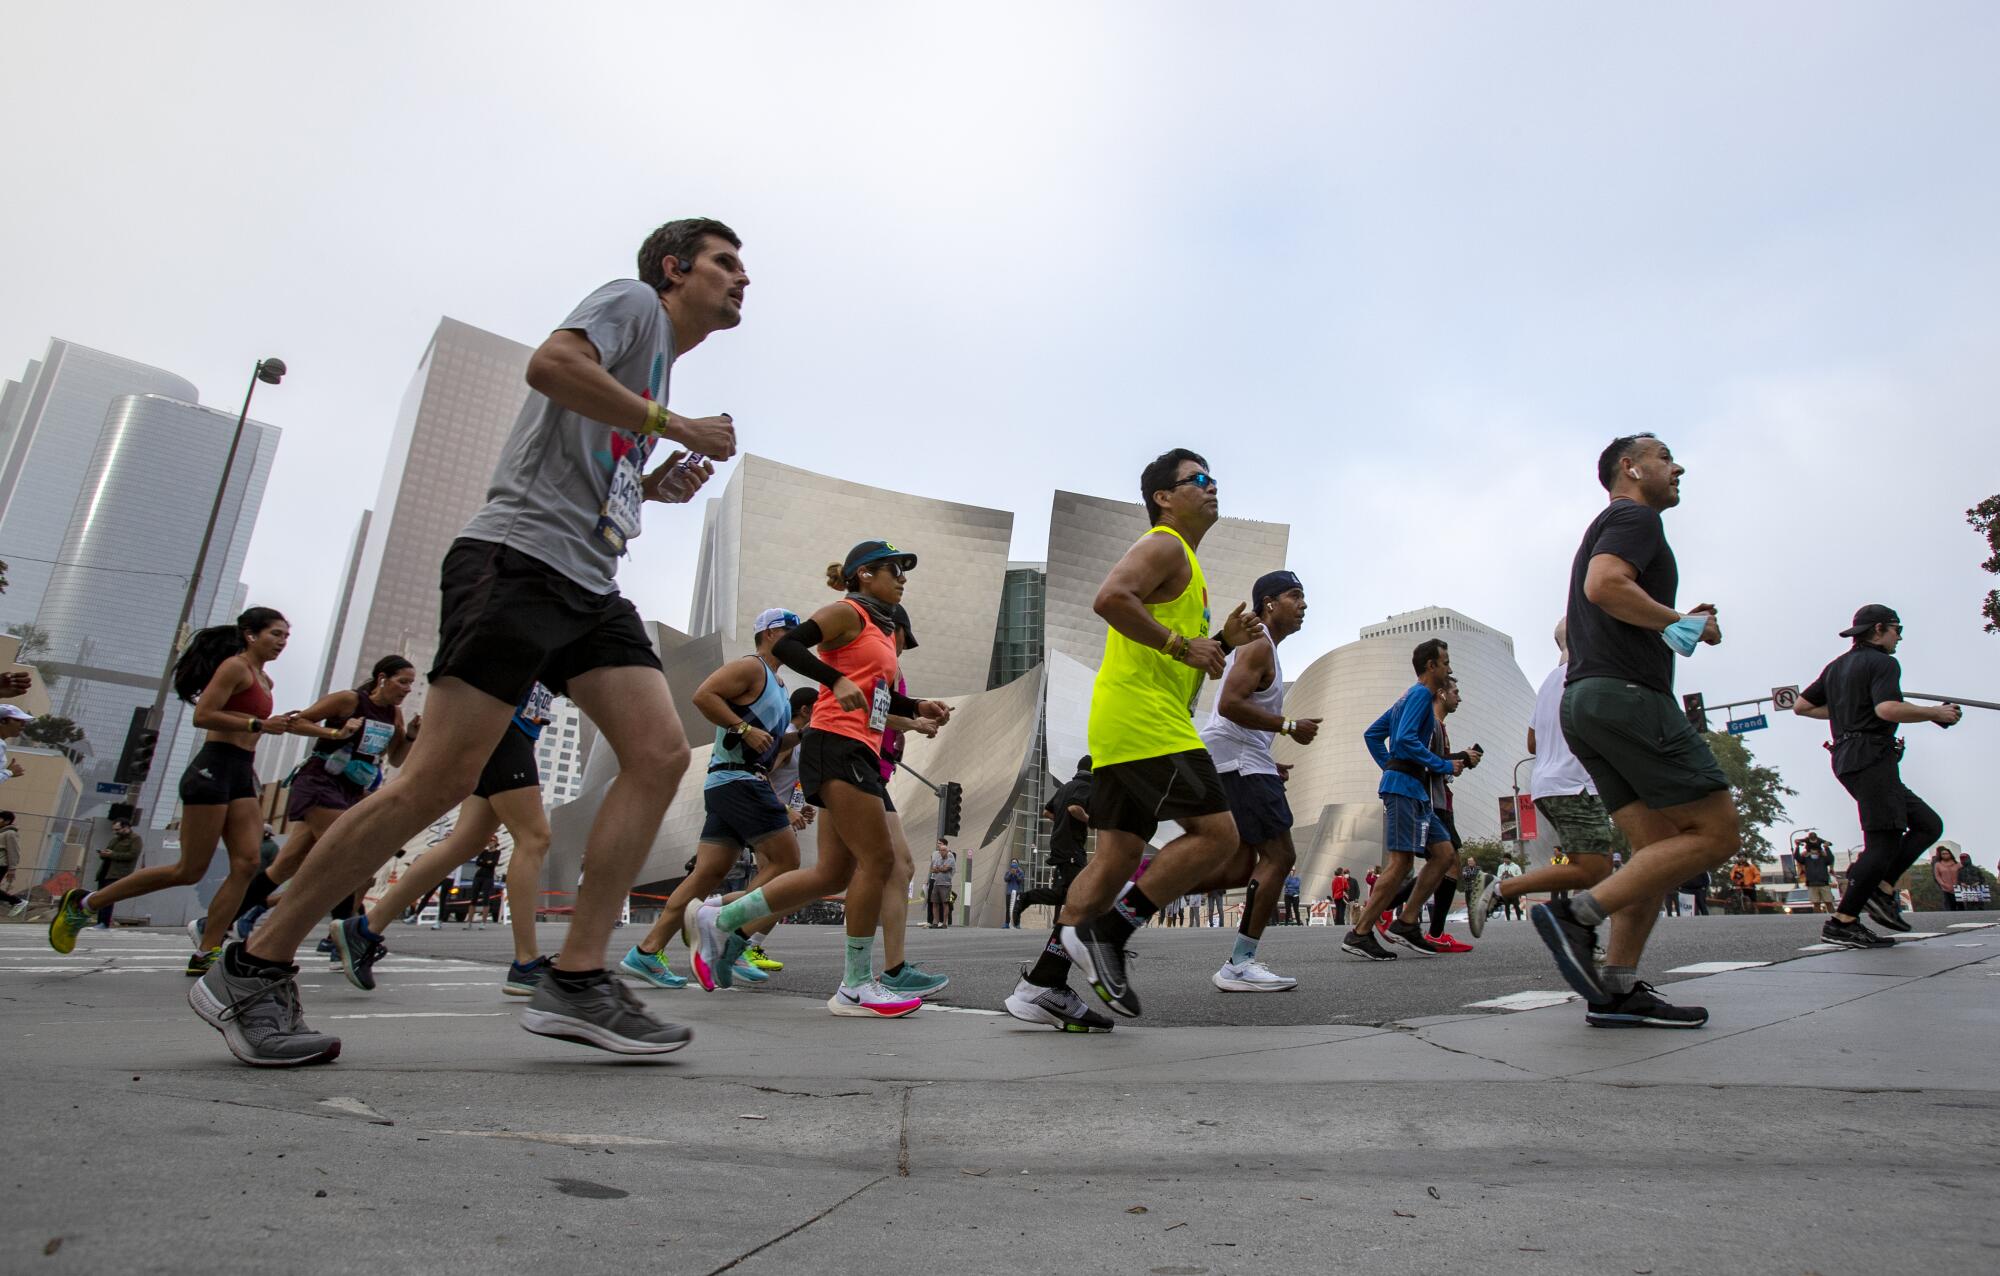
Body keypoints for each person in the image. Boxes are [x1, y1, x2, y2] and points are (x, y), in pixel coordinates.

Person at [188, 217, 742, 1066]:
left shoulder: (655, 358)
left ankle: (579, 977)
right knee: (433, 782)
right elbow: (551, 367)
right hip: (517, 559)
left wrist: (649, 482)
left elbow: (588, 449)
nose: (742, 281)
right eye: (725, 264)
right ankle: (253, 964)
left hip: (590, 580)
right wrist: (674, 425)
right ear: (675, 269)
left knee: (661, 755)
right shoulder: (633, 303)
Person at [1002, 448, 1261, 1029]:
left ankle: (1041, 986)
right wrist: (1181, 643)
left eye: (1213, 477)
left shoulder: (1187, 565)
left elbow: (1184, 661)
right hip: (1144, 720)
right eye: (1197, 479)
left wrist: (1217, 638)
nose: (1212, 486)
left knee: (1116, 860)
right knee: (1218, 837)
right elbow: (1109, 599)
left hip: (1128, 721)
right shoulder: (1165, 544)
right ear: (1164, 498)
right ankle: (1109, 932)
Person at [686, 541, 951, 1017]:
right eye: (895, 569)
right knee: (879, 860)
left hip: (857, 749)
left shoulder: (882, 629)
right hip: (837, 745)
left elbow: (880, 697)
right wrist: (833, 681)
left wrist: (918, 708)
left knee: (833, 872)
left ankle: (721, 918)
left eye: (905, 571)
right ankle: (854, 985)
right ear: (864, 574)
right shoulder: (846, 612)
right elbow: (788, 645)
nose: (903, 578)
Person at [1533, 433, 1739, 1029]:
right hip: (1627, 697)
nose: (1678, 467)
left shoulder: (1611, 523)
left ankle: (1617, 990)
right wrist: (1679, 621)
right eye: (1665, 457)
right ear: (1631, 467)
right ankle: (1578, 915)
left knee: (1654, 854)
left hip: (1588, 702)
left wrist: (1677, 622)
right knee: (1716, 831)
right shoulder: (1634, 516)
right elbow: (1604, 587)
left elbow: (1605, 604)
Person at [50, 609, 300, 964]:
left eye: (286, 637)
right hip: (213, 768)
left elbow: (268, 723)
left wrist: (332, 731)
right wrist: (258, 725)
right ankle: (86, 903)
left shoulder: (265, 680)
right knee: (188, 870)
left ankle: (207, 949)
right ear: (250, 634)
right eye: (275, 634)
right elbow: (204, 715)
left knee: (246, 864)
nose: (282, 642)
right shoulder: (234, 667)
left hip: (242, 773)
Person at [618, 609, 808, 991]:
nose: (799, 639)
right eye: (791, 632)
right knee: (787, 863)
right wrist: (742, 728)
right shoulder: (752, 668)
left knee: (707, 873)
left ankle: (647, 950)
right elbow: (703, 695)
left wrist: (807, 734)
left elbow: (773, 741)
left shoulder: (779, 685)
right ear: (769, 634)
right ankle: (720, 927)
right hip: (740, 780)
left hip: (729, 782)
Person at [340, 682, 562, 995]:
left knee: (466, 841)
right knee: (535, 837)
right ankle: (526, 963)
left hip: (516, 734)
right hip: (502, 729)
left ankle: (366, 928)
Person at [1792, 603, 1959, 940]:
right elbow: (1886, 709)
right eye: (1898, 629)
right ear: (1879, 629)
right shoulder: (1884, 662)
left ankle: (1881, 886)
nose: (1899, 637)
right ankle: (1843, 921)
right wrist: (1934, 713)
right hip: (1870, 756)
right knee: (1882, 841)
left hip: (1848, 756)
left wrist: (1844, 711)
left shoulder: (1836, 667)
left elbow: (1801, 706)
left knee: (1928, 824)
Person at [227, 656, 417, 943]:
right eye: (403, 682)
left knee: (286, 865)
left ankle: (217, 920)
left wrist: (411, 737)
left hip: (352, 790)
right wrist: (335, 732)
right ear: (382, 678)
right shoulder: (348, 700)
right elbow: (297, 722)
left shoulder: (394, 715)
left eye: (411, 684)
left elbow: (397, 758)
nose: (407, 689)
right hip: (320, 781)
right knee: (348, 853)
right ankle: (342, 937)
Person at [1196, 569, 1320, 991]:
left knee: (1241, 860)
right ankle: (1238, 964)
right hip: (1238, 758)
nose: (1303, 605)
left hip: (1244, 758)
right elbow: (1229, 705)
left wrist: (1270, 759)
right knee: (1280, 856)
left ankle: (1137, 899)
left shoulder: (1265, 647)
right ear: (1269, 603)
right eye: (1295, 596)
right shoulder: (1259, 646)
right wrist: (1288, 727)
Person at [1469, 618, 1614, 941]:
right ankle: (1504, 888)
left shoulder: (1550, 681)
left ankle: (1584, 933)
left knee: (1591, 864)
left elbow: (1532, 743)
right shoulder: (1586, 672)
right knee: (1596, 868)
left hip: (1547, 785)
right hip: (1576, 785)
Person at [1342, 639, 1464, 961]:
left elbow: (1373, 734)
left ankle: (1407, 923)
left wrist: (1391, 766)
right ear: (1431, 666)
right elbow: (1407, 739)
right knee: (1400, 863)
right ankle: (1360, 933)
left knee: (1444, 854)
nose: (1449, 668)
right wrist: (1440, 764)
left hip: (1414, 789)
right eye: (1446, 661)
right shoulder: (1421, 694)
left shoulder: (1408, 697)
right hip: (1405, 789)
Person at [1382, 673, 1481, 951]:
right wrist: (1456, 759)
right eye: (1455, 691)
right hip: (1428, 802)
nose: (1459, 697)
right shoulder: (1430, 725)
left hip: (1439, 800)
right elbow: (1419, 760)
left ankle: (1399, 916)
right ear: (1441, 694)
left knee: (1445, 864)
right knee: (1443, 862)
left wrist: (1456, 763)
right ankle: (1396, 914)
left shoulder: (1439, 727)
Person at [1012, 756, 1093, 927]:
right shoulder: (1086, 786)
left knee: (1064, 892)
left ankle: (1064, 925)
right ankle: (1027, 898)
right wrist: (1089, 820)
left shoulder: (1065, 787)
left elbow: (1046, 812)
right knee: (1077, 890)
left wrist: (1062, 820)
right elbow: (1074, 808)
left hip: (1061, 844)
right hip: (1071, 847)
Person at [91, 819, 144, 927]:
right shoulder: (115, 839)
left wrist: (112, 854)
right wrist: (103, 853)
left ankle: (104, 923)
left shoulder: (135, 839)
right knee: (100, 897)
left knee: (108, 898)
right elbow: (108, 852)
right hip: (105, 872)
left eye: (118, 829)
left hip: (117, 873)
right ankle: (100, 921)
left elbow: (132, 855)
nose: (115, 832)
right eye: (114, 830)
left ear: (126, 828)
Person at [1796, 834, 1836, 913]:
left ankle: (1833, 917)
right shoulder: (1806, 858)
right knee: (1816, 903)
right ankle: (1817, 918)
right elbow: (1797, 857)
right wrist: (1797, 847)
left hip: (1823, 883)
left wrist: (1826, 847)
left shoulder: (1823, 858)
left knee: (1828, 902)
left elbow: (1830, 859)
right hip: (1812, 883)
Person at [1, 806, 29, 917]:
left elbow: (14, 851)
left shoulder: (10, 833)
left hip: (1, 864)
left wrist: (12, 868)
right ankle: (16, 901)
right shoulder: (2, 832)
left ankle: (18, 901)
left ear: (7, 821)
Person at [927, 839, 956, 928]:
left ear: (947, 851)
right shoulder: (937, 859)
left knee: (945, 903)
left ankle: (944, 922)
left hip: (946, 884)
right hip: (936, 883)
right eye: (940, 850)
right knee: (934, 903)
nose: (942, 852)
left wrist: (939, 868)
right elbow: (933, 869)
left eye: (944, 850)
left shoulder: (951, 859)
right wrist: (940, 868)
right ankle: (935, 921)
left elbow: (945, 869)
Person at [1931, 847, 1961, 912]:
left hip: (1958, 888)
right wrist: (1943, 884)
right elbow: (1937, 876)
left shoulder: (1957, 864)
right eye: (1943, 854)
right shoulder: (1938, 864)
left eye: (1947, 853)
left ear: (1950, 854)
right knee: (1950, 906)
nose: (1945, 855)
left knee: (1960, 906)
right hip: (1946, 888)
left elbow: (1962, 875)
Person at [1003, 860, 1025, 928]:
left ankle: (1017, 924)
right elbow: (1006, 879)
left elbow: (1020, 881)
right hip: (1009, 892)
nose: (1014, 863)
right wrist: (1011, 873)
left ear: (1017, 864)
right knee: (1008, 909)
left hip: (1018, 892)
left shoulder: (1021, 872)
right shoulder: (1008, 872)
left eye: (1015, 862)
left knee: (1017, 909)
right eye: (1012, 862)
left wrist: (1015, 874)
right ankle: (1007, 923)